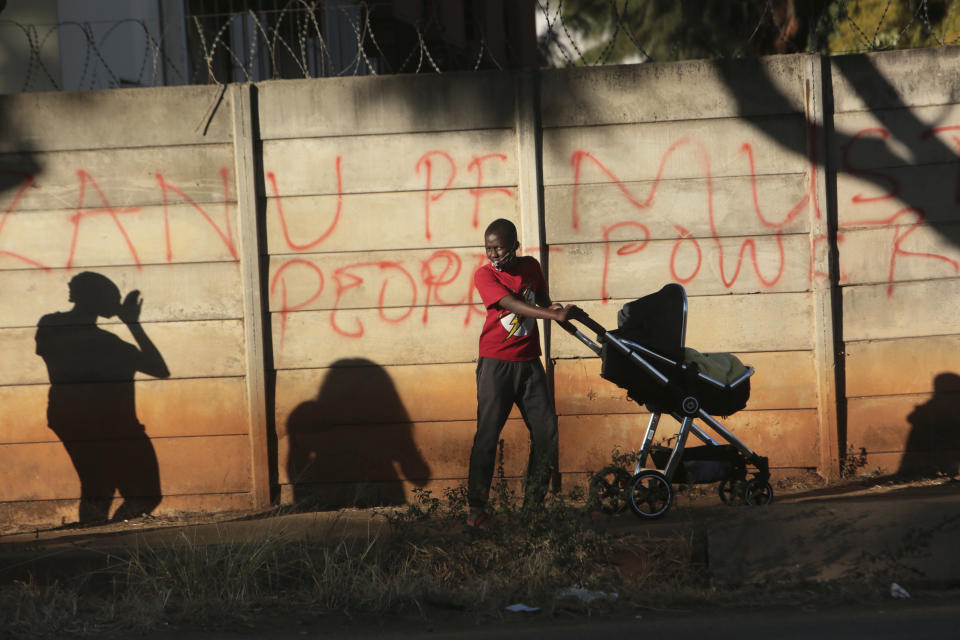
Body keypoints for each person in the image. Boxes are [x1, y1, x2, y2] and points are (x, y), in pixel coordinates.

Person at [467, 218, 578, 527]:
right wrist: (551, 315)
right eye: (488, 248)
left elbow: (541, 298)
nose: (492, 254)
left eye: (498, 247)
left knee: (546, 433)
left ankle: (533, 508)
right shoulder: (484, 275)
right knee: (487, 436)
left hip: (529, 363)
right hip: (496, 365)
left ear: (514, 245)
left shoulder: (530, 266)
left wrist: (560, 314)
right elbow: (513, 305)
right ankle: (477, 510)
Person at [35, 272, 169, 523]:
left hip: (75, 419)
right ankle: (109, 538)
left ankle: (100, 538)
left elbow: (159, 370)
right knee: (134, 493)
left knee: (98, 488)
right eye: (113, 297)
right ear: (95, 299)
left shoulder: (51, 325)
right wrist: (132, 323)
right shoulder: (108, 343)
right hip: (111, 424)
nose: (117, 303)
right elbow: (159, 369)